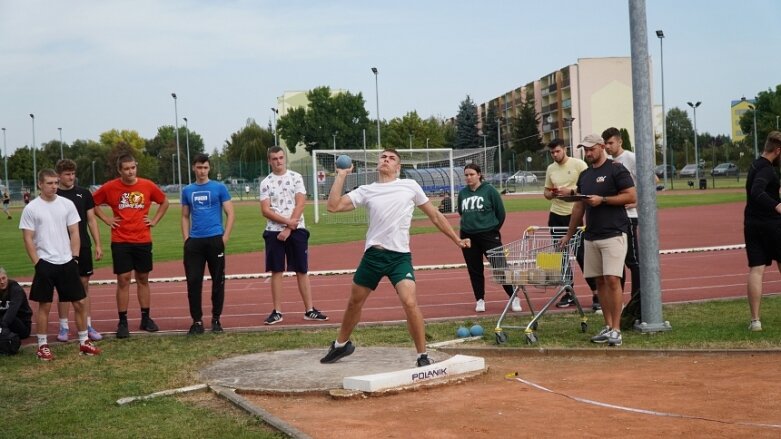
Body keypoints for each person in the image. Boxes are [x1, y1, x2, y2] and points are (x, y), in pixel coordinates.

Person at [320, 148, 470, 367]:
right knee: (354, 302)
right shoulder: (367, 190)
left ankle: (422, 356)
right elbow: (333, 206)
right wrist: (342, 175)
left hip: (399, 257)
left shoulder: (409, 186)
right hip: (373, 255)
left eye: (391, 159)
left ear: (398, 167)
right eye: (383, 157)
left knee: (410, 302)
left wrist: (456, 239)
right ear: (378, 163)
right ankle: (341, 345)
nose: (386, 160)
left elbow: (435, 215)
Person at [561, 134, 636, 347]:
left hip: (614, 232)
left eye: (591, 149)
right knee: (600, 281)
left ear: (601, 147)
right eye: (585, 150)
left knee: (613, 279)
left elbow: (631, 196)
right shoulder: (585, 175)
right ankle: (608, 326)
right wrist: (569, 234)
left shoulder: (616, 169)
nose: (588, 153)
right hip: (591, 234)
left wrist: (602, 199)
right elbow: (578, 207)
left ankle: (617, 329)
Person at [20, 169, 102, 360]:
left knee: (80, 303)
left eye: (56, 182)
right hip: (45, 263)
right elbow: (28, 238)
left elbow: (75, 232)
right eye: (49, 183)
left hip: (67, 262)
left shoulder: (67, 204)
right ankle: (42, 346)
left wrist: (74, 257)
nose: (54, 186)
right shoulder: (31, 208)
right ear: (40, 184)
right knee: (45, 306)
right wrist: (37, 262)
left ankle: (84, 343)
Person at [93, 154, 170, 338]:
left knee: (143, 278)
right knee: (123, 279)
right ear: (120, 170)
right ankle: (123, 321)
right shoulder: (110, 187)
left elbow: (164, 202)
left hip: (142, 239)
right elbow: (93, 202)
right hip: (121, 240)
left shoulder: (147, 185)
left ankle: (145, 318)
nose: (130, 171)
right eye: (126, 168)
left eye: (133, 167)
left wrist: (154, 220)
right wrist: (106, 219)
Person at [259, 146, 328, 325]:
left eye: (281, 157)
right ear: (269, 161)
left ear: (285, 158)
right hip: (274, 232)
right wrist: (285, 223)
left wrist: (290, 227)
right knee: (277, 270)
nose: (278, 161)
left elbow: (300, 203)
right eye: (274, 158)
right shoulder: (265, 183)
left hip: (297, 230)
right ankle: (277, 311)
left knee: (301, 270)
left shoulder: (296, 178)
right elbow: (265, 210)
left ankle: (309, 310)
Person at [542, 139, 599, 311]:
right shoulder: (551, 169)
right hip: (556, 215)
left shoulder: (579, 165)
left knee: (582, 255)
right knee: (561, 257)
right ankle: (569, 291)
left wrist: (571, 192)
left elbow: (589, 188)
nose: (555, 155)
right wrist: (551, 194)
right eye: (552, 153)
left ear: (565, 149)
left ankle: (596, 292)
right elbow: (545, 191)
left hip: (575, 215)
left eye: (557, 151)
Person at [181, 154, 235, 335]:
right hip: (194, 243)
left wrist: (224, 238)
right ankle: (196, 321)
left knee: (218, 282)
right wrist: (186, 239)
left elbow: (230, 213)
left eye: (205, 167)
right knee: (193, 281)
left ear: (209, 168)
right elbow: (184, 216)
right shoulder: (187, 190)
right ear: (193, 168)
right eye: (199, 167)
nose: (202, 171)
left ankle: (216, 319)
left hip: (215, 240)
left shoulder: (219, 188)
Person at [602, 127, 650, 329]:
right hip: (614, 219)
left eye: (611, 143)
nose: (608, 147)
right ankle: (619, 306)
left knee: (634, 262)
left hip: (629, 218)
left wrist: (637, 200)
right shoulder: (608, 163)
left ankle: (638, 305)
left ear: (620, 141)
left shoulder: (630, 158)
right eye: (606, 144)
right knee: (616, 266)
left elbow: (651, 179)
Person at [457, 163, 520, 313]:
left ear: (479, 174)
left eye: (472, 174)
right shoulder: (462, 193)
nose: (469, 177)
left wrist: (492, 229)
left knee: (500, 267)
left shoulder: (489, 190)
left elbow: (501, 213)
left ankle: (514, 297)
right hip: (468, 236)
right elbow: (462, 212)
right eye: (466, 175)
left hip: (488, 234)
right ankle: (480, 299)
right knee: (474, 269)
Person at [54, 159, 103, 342]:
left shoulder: (84, 193)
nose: (71, 177)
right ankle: (64, 327)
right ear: (59, 175)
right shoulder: (55, 195)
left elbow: (91, 220)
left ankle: (87, 324)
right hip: (61, 248)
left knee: (84, 286)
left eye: (73, 173)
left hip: (83, 246)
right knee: (64, 288)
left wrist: (98, 244)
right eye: (67, 174)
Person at [743, 131, 781, 332]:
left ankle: (755, 320)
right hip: (772, 225)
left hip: (752, 224)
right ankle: (755, 320)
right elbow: (757, 191)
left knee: (756, 270)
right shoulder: (767, 170)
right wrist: (776, 205)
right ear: (778, 150)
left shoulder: (754, 165)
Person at [0, 267, 33, 340]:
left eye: (4, 278)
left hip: (21, 324)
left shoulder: (16, 289)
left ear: (7, 277)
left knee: (5, 317)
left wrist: (2, 327)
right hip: (4, 321)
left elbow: (12, 311)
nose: (2, 282)